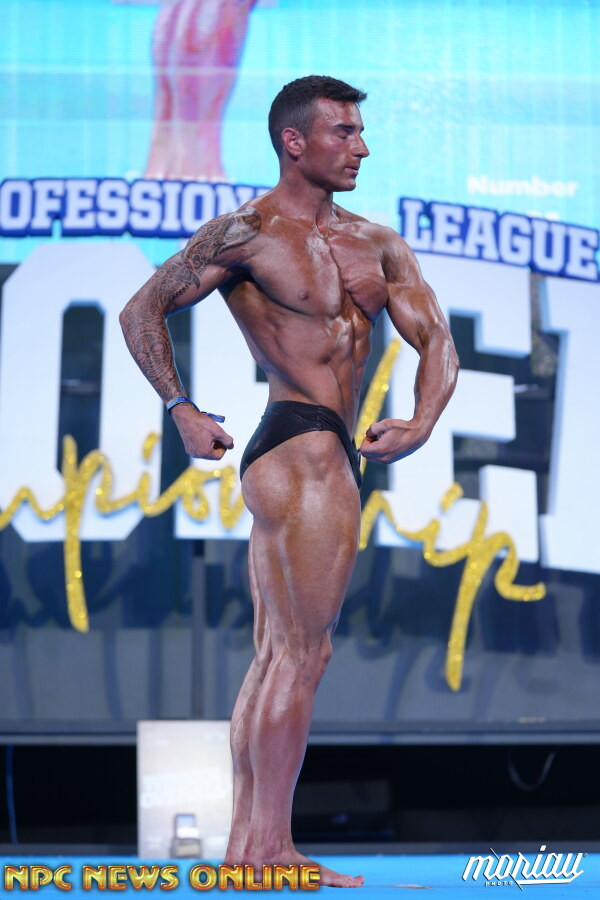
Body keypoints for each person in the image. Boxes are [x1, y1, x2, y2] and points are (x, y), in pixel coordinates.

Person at [120, 75, 459, 887]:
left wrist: (421, 422)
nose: (362, 147)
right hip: (297, 442)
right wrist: (180, 408)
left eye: (361, 131)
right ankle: (268, 852)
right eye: (344, 132)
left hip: (327, 444)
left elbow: (437, 340)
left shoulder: (378, 245)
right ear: (294, 142)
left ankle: (249, 850)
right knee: (303, 654)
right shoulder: (247, 233)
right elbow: (141, 311)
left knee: (279, 654)